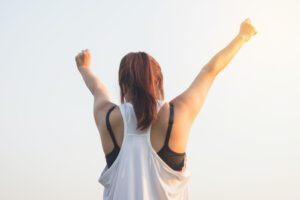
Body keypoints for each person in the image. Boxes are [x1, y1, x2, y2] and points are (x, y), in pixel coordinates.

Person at [75, 17, 257, 200]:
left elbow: (98, 89)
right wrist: (242, 36)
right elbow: (210, 71)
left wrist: (84, 68)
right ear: (158, 82)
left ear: (122, 84)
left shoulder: (108, 119)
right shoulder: (177, 115)